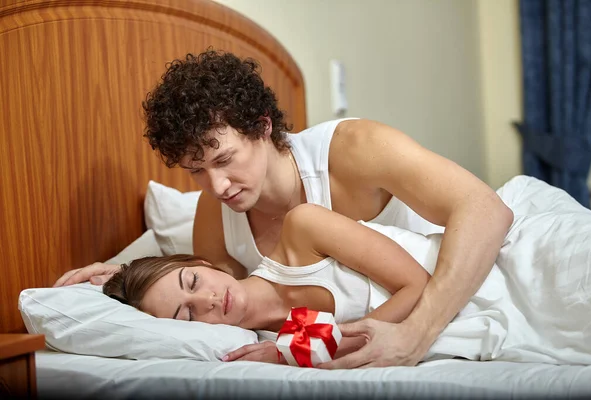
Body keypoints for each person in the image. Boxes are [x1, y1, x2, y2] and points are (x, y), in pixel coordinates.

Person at [55, 49, 514, 368]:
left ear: (262, 126)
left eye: (224, 159)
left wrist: (417, 335)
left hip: (492, 263)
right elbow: (210, 291)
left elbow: (486, 210)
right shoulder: (216, 216)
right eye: (196, 171)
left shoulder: (354, 149)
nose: (215, 186)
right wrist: (117, 273)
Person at [103, 201, 591, 367]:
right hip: (484, 312)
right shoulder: (282, 341)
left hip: (512, 268)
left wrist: (295, 350)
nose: (208, 300)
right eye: (187, 314)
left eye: (192, 281)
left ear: (203, 262)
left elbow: (416, 283)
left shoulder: (301, 229)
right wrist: (109, 274)